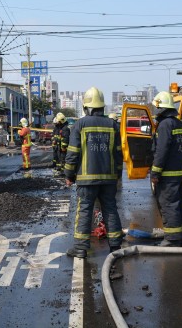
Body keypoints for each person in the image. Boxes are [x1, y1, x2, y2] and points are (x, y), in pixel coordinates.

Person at [64, 87, 124, 259]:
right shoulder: (113, 125)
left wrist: (69, 175)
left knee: (84, 211)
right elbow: (118, 153)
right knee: (110, 209)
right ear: (102, 107)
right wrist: (118, 175)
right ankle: (115, 246)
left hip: (86, 180)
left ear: (86, 107)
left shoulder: (79, 125)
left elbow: (73, 152)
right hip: (109, 179)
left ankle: (80, 248)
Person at [150, 91, 182, 247]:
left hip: (167, 174)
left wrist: (155, 172)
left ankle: (172, 239)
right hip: (179, 172)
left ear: (161, 107)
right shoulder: (178, 123)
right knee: (180, 205)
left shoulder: (165, 125)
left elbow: (162, 150)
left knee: (169, 205)